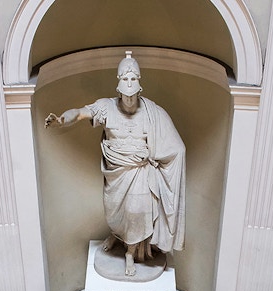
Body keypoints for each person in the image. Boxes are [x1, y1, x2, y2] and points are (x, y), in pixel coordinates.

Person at [45, 51, 186, 277]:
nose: (129, 84)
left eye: (133, 79)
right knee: (117, 213)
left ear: (140, 82)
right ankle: (117, 235)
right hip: (116, 173)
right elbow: (81, 113)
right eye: (125, 79)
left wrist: (160, 162)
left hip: (140, 172)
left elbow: (177, 147)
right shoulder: (106, 107)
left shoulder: (153, 113)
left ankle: (130, 253)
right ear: (118, 82)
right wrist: (62, 120)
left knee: (136, 211)